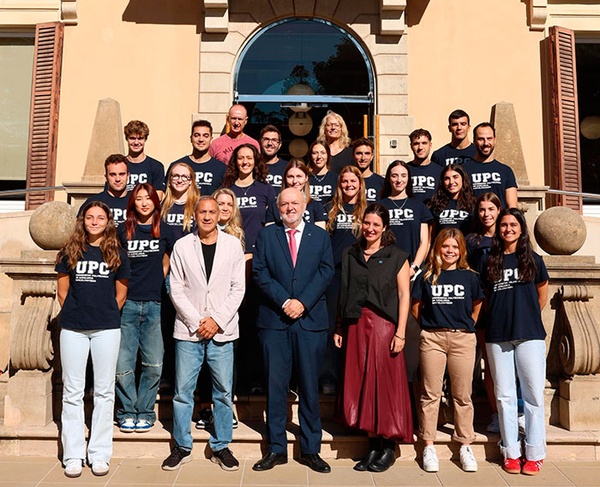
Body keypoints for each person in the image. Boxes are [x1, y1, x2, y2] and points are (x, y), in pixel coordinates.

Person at [252, 187, 335, 473]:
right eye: (284, 203)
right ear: (277, 207)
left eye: (294, 203)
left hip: (309, 321)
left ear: (305, 204)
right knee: (275, 387)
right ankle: (276, 449)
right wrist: (285, 300)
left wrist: (302, 302)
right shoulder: (266, 235)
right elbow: (259, 272)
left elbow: (326, 271)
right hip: (275, 321)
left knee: (310, 388)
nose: (289, 208)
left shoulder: (320, 236)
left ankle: (311, 449)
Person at [161, 197, 245, 472]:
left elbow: (238, 288)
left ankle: (221, 445)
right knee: (183, 392)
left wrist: (217, 321)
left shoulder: (232, 244)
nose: (208, 217)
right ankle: (182, 445)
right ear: (194, 215)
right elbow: (176, 288)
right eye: (203, 212)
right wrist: (198, 321)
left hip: (223, 330)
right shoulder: (183, 246)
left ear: (221, 213)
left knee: (223, 392)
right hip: (189, 330)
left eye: (213, 211)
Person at [334, 203, 413, 473]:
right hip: (355, 324)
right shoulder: (350, 254)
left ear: (385, 228)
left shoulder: (397, 256)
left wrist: (401, 332)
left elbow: (405, 296)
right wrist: (338, 327)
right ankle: (372, 446)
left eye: (376, 225)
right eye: (367, 223)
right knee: (362, 383)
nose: (370, 229)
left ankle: (388, 446)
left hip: (383, 326)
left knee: (383, 384)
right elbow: (343, 291)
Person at [55, 201, 130, 478]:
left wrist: (104, 313)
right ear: (82, 220)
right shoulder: (70, 251)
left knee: (104, 391)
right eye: (90, 217)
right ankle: (73, 454)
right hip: (73, 329)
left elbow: (121, 294)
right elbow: (62, 292)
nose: (95, 222)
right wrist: (78, 314)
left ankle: (99, 454)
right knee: (72, 392)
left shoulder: (117, 253)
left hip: (106, 329)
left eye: (100, 217)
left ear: (108, 221)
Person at [479, 208, 549, 476]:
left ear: (521, 228)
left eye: (513, 224)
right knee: (504, 395)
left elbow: (541, 295)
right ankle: (510, 451)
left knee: (532, 396)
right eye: (504, 225)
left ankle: (535, 453)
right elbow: (486, 297)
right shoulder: (489, 260)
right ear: (499, 230)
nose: (508, 229)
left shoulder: (533, 259)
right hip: (498, 336)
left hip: (530, 334)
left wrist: (526, 316)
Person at [411, 228, 483, 473]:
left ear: (461, 250)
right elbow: (416, 308)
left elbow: (477, 305)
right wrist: (430, 328)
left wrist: (467, 326)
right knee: (430, 393)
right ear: (438, 248)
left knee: (462, 395)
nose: (450, 251)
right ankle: (428, 444)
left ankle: (464, 444)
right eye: (445, 246)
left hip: (462, 339)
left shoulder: (470, 277)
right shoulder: (426, 276)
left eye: (455, 247)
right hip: (432, 338)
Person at [116, 183, 175, 433]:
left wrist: (160, 279)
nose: (143, 203)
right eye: (138, 199)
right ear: (133, 203)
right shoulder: (122, 230)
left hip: (155, 304)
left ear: (155, 202)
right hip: (127, 303)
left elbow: (172, 260)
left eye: (148, 198)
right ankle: (127, 411)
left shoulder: (166, 230)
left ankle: (146, 411)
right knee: (123, 365)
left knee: (154, 365)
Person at [322, 166, 367, 393]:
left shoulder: (367, 210)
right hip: (334, 274)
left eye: (353, 181)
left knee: (355, 327)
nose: (349, 185)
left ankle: (354, 379)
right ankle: (329, 378)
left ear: (360, 183)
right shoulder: (330, 209)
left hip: (360, 275)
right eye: (344, 181)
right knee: (331, 326)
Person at [465, 192, 503, 433]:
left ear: (499, 210)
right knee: (489, 364)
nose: (487, 214)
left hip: (506, 306)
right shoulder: (472, 241)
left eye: (491, 209)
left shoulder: (509, 235)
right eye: (482, 210)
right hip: (482, 308)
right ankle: (495, 413)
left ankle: (513, 411)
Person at [379, 160, 432, 277]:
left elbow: (424, 242)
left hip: (413, 270)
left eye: (403, 176)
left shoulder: (419, 206)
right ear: (388, 178)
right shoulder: (380, 206)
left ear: (408, 179)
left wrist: (414, 268)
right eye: (394, 176)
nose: (399, 180)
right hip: (385, 269)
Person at [222, 143, 275, 256]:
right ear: (235, 161)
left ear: (255, 161)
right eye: (241, 158)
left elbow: (271, 223)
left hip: (259, 250)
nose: (245, 162)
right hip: (231, 250)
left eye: (249, 158)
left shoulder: (266, 189)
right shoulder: (226, 190)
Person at [463, 123, 518, 209]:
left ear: (495, 140)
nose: (486, 143)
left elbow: (512, 207)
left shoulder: (506, 171)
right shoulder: (463, 170)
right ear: (474, 141)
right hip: (473, 221)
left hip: (499, 221)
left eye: (489, 139)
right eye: (481, 139)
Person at [167, 120, 225, 197]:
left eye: (205, 136)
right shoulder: (177, 166)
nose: (201, 139)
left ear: (211, 139)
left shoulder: (221, 168)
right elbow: (168, 194)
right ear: (191, 138)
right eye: (197, 135)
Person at [264, 159, 327, 228]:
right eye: (290, 177)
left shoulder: (316, 206)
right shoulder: (274, 206)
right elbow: (269, 235)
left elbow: (320, 235)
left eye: (299, 176)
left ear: (306, 178)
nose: (295, 181)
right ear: (285, 178)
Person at [428, 164, 476, 239]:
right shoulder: (435, 205)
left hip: (466, 249)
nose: (451, 182)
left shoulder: (473, 204)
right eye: (447, 178)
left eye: (455, 177)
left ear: (463, 179)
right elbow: (431, 235)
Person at [81, 154, 129, 227]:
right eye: (113, 175)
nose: (118, 179)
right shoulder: (93, 202)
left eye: (122, 174)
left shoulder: (136, 201)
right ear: (106, 177)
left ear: (128, 175)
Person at [123, 120, 165, 197]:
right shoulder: (120, 165)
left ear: (145, 139)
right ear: (126, 138)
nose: (136, 143)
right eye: (132, 138)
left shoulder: (156, 166)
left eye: (140, 138)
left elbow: (158, 196)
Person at [161, 162, 200, 241]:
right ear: (169, 180)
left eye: (185, 177)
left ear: (191, 181)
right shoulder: (161, 205)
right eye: (175, 176)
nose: (180, 180)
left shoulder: (198, 205)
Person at [407, 129, 442, 206]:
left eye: (424, 143)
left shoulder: (440, 171)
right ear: (411, 146)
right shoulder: (405, 170)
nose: (420, 147)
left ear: (430, 145)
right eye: (416, 144)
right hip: (412, 215)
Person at [351, 137, 384, 203]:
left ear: (372, 156)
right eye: (359, 153)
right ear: (353, 156)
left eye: (367, 153)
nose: (363, 158)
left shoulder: (381, 183)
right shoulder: (346, 182)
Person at [260, 124, 288, 194]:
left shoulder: (287, 167)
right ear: (260, 142)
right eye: (266, 139)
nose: (270, 143)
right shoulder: (253, 166)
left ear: (280, 144)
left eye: (274, 140)